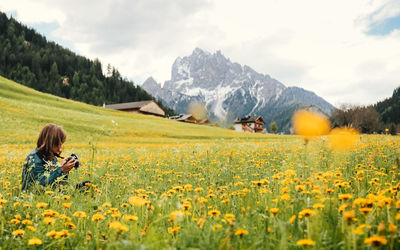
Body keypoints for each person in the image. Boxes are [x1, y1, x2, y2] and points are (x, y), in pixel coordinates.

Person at [21, 124, 77, 191]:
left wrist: (65, 170)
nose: (60, 148)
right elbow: (40, 184)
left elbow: (58, 184)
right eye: (57, 144)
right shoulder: (34, 158)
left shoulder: (51, 156)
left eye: (61, 143)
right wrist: (61, 170)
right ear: (48, 142)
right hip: (32, 195)